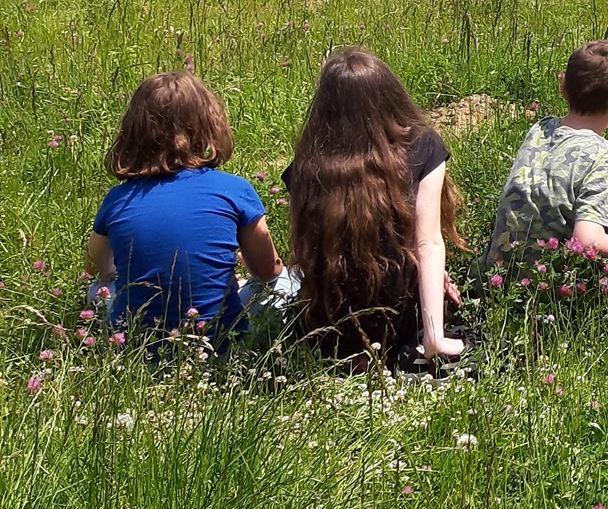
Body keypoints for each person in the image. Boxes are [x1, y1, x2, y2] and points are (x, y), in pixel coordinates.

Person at [285, 48, 466, 365]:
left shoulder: (308, 165)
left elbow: (312, 249)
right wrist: (434, 336)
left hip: (326, 329)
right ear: (390, 95)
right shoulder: (423, 147)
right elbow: (427, 242)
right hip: (399, 325)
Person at [87, 72, 282, 343]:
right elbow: (268, 270)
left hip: (135, 344)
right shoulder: (234, 189)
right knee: (286, 282)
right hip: (220, 344)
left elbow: (95, 266)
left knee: (97, 289)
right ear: (207, 125)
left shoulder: (119, 199)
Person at [486, 40, 608, 265]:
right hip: (567, 277)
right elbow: (587, 240)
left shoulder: (542, 129)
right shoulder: (604, 157)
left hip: (502, 272)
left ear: (564, 88)